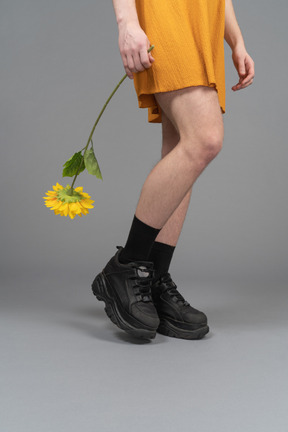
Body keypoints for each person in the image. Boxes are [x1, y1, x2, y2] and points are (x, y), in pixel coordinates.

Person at [92, 0, 255, 340]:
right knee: (204, 140)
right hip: (165, 14)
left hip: (202, 21)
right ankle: (127, 265)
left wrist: (236, 40)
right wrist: (127, 22)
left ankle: (152, 275)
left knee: (181, 146)